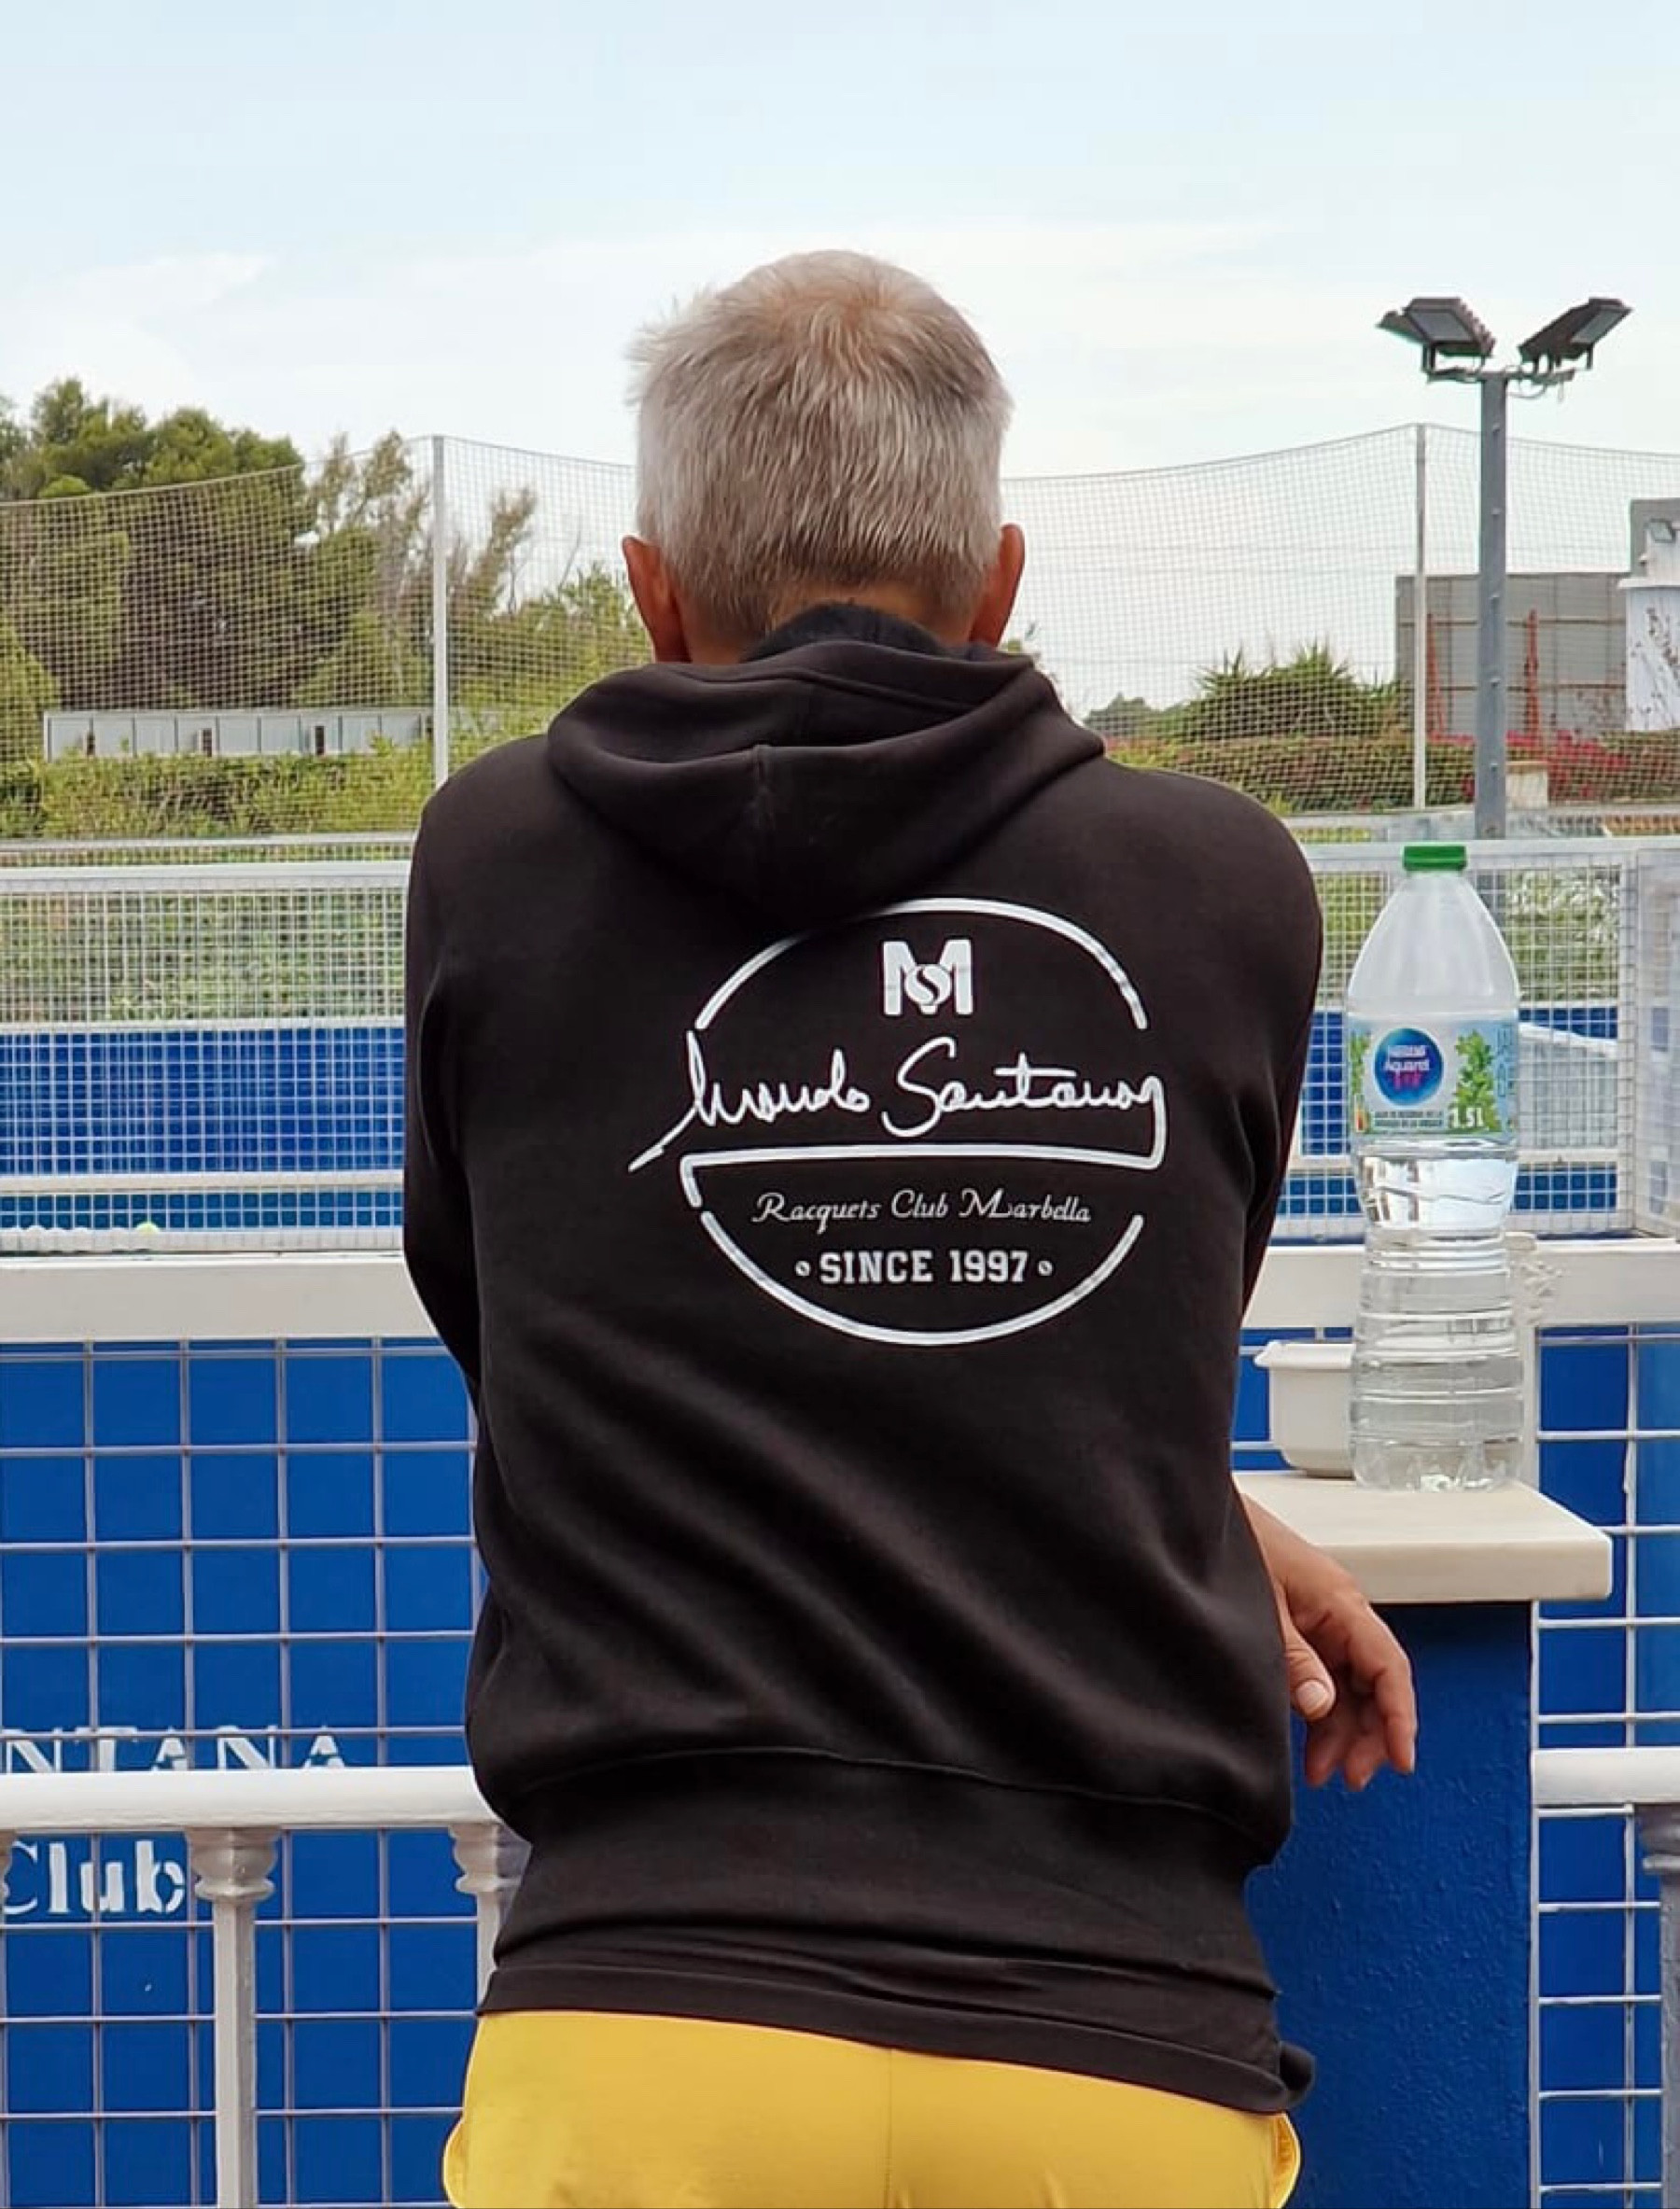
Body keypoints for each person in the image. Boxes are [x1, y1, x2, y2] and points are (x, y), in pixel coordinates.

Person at [403, 250, 1418, 2209]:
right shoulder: (1225, 886)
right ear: (1002, 586)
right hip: (1114, 2046)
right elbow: (1128, 1331)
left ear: (653, 594)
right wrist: (1205, 1507)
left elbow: (523, 1316)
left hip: (648, 2030)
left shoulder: (500, 854)